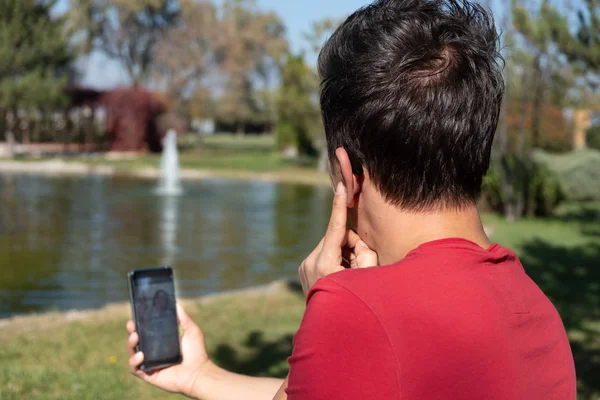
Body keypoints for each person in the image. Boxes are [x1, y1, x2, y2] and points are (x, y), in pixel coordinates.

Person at [126, 0, 577, 398]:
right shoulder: (537, 308)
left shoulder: (355, 315)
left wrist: (326, 309)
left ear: (349, 175)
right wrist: (200, 375)